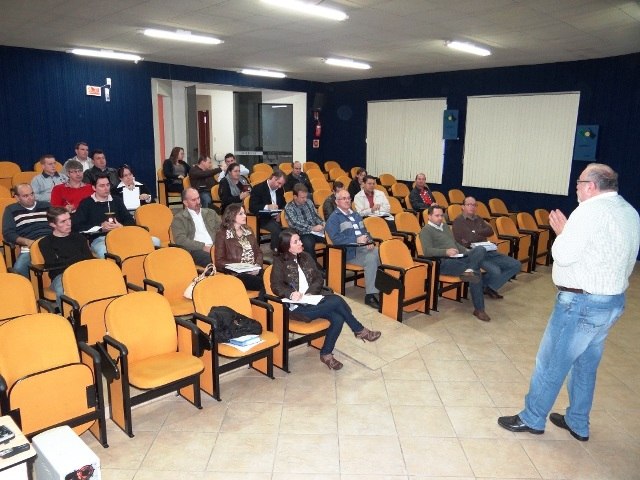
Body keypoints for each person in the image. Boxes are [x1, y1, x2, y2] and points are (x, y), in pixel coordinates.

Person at [498, 163, 640, 441]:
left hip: (581, 304)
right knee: (585, 365)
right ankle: (577, 421)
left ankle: (532, 418)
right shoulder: (628, 211)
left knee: (551, 363)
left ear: (591, 186)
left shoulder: (588, 212)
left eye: (579, 182)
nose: (576, 186)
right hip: (611, 302)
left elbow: (563, 255)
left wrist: (562, 234)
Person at [270, 229, 381, 370]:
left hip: (312, 300)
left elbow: (318, 278)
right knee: (336, 301)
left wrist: (310, 294)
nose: (301, 243)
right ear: (286, 245)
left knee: (338, 318)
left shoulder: (305, 256)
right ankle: (359, 330)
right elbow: (276, 285)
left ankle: (326, 354)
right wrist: (291, 294)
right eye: (296, 241)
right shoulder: (280, 261)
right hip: (297, 307)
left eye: (300, 240)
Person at [419, 204, 490, 321]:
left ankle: (469, 270)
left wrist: (467, 251)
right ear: (429, 217)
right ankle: (479, 309)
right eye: (437, 216)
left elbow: (455, 243)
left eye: (441, 215)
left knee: (480, 250)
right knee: (475, 272)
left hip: (458, 257)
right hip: (444, 262)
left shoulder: (445, 226)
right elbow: (427, 251)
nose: (440, 218)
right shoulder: (426, 230)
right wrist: (445, 252)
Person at [452, 196, 521, 299]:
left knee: (516, 265)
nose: (472, 207)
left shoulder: (478, 218)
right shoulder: (459, 221)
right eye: (469, 204)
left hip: (488, 250)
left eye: (474, 205)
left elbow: (490, 231)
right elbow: (469, 238)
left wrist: (476, 232)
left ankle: (489, 286)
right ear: (462, 207)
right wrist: (479, 233)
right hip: (474, 254)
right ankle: (484, 286)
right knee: (496, 271)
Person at [325, 191, 381, 309]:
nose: (347, 200)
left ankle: (380, 288)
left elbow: (365, 232)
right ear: (337, 202)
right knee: (372, 257)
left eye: (348, 198)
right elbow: (336, 239)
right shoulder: (334, 218)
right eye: (343, 198)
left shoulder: (355, 215)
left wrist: (370, 241)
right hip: (348, 252)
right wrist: (356, 239)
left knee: (380, 252)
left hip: (363, 248)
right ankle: (371, 295)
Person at [39, 207, 93, 310]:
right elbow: (53, 264)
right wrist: (77, 259)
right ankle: (69, 319)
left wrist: (65, 259)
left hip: (82, 272)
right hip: (60, 275)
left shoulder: (79, 238)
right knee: (62, 288)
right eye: (63, 222)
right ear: (52, 224)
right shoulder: (45, 242)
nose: (68, 224)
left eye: (69, 219)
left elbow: (88, 259)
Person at [73, 173, 135, 258]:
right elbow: (77, 226)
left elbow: (130, 220)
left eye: (108, 185)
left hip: (121, 235)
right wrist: (100, 227)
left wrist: (121, 226)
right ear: (94, 188)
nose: (106, 188)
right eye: (102, 186)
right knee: (104, 251)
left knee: (154, 241)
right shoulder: (86, 203)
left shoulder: (117, 200)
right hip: (99, 239)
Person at [214, 203, 265, 297]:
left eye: (244, 213)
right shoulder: (222, 234)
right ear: (231, 216)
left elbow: (258, 252)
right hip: (236, 274)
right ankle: (263, 308)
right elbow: (219, 261)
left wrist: (256, 266)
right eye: (241, 214)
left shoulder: (248, 230)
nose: (245, 216)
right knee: (264, 284)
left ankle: (263, 306)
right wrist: (239, 267)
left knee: (273, 278)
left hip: (253, 269)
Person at [1, 184, 51, 277]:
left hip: (50, 241)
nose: (30, 198)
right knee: (18, 271)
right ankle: (30, 290)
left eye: (32, 194)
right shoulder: (11, 210)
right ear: (17, 197)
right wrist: (26, 241)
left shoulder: (46, 206)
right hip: (30, 245)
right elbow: (8, 233)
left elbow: (57, 224)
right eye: (25, 196)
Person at [171, 188, 221, 267]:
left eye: (198, 198)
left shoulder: (210, 213)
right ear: (185, 202)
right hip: (196, 250)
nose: (197, 202)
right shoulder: (179, 218)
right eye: (193, 200)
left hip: (215, 246)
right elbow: (180, 240)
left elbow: (222, 229)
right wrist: (203, 246)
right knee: (214, 259)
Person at [284, 184, 325, 263]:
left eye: (306, 197)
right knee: (308, 244)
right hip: (302, 233)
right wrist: (311, 228)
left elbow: (316, 216)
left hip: (316, 231)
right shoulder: (289, 207)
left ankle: (331, 267)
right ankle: (314, 269)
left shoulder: (309, 202)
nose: (305, 199)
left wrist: (322, 223)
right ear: (295, 197)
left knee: (332, 239)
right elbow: (295, 223)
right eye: (302, 197)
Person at [249, 170, 286, 252]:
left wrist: (280, 214)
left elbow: (284, 204)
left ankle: (287, 252)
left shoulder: (280, 190)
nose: (279, 186)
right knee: (277, 229)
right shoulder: (258, 188)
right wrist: (267, 207)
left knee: (290, 227)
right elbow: (252, 207)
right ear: (273, 178)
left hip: (277, 217)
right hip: (263, 219)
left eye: (281, 185)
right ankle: (275, 252)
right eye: (279, 183)